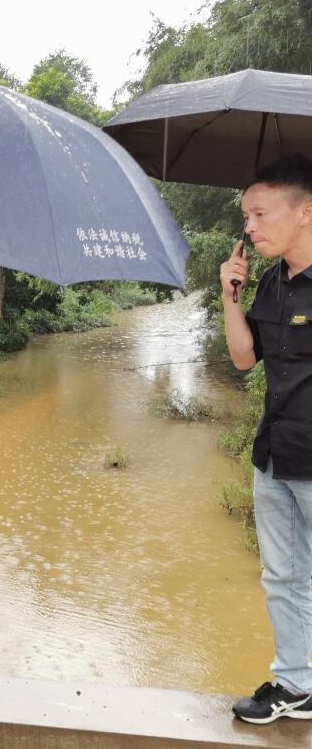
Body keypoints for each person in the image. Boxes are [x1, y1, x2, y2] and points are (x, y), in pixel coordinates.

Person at [222, 154, 312, 724]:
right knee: (282, 575)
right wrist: (231, 295)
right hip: (274, 455)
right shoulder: (272, 284)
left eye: (260, 213)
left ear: (306, 211)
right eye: (246, 216)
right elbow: (243, 359)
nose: (250, 227)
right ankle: (296, 684)